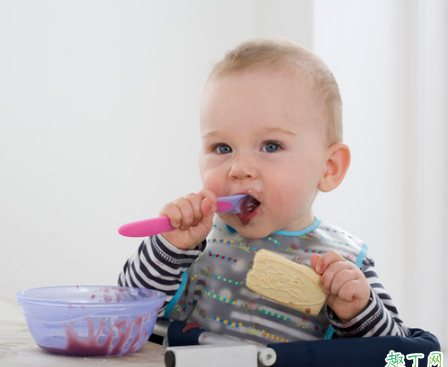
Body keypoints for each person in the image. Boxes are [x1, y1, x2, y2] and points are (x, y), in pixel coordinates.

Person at [118, 38, 409, 344]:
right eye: (222, 147)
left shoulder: (348, 263)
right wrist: (168, 248)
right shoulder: (193, 247)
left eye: (271, 146)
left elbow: (396, 362)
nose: (239, 168)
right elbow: (127, 312)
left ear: (329, 167)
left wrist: (358, 310)